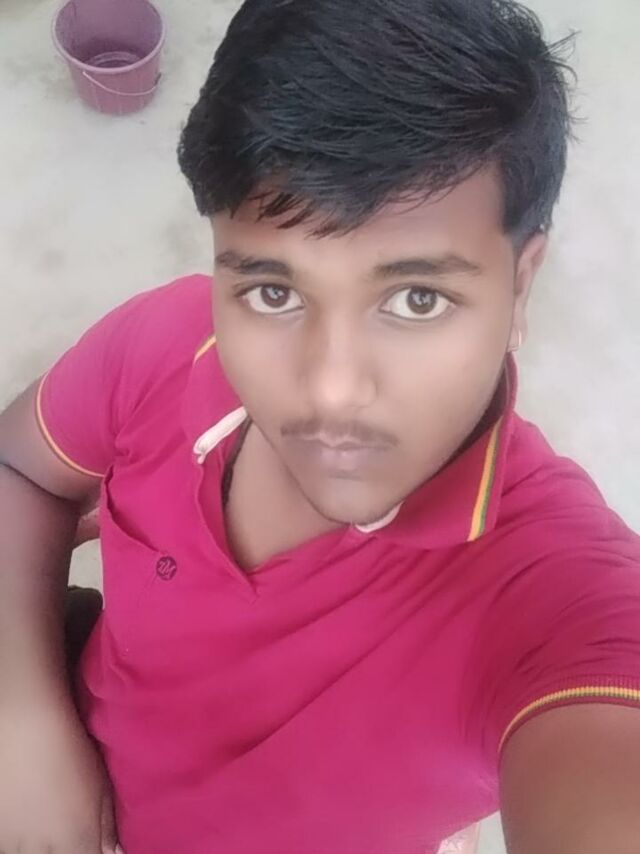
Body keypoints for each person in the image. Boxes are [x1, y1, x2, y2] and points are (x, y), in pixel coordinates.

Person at [1, 0, 639, 852]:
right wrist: (23, 721)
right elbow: (21, 470)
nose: (332, 388)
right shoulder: (166, 344)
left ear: (520, 286)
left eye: (417, 299)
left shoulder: (552, 590)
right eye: (274, 291)